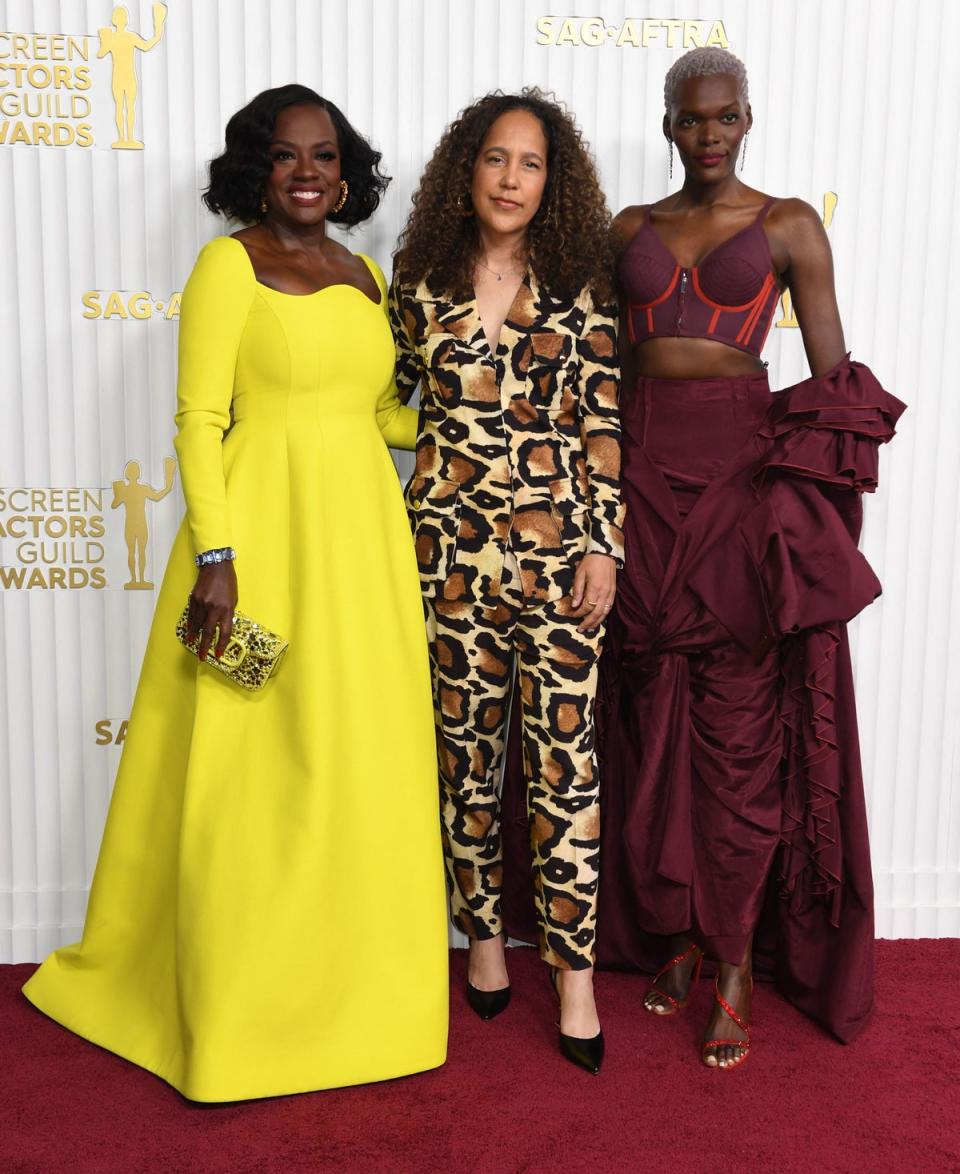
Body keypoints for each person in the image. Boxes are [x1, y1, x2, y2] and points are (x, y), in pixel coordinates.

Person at [23, 84, 449, 1101]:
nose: (309, 171)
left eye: (327, 156)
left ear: (348, 175)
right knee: (245, 771)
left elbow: (380, 410)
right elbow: (198, 417)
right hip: (253, 545)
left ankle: (356, 996)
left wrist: (465, 408)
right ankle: (230, 1002)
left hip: (357, 549)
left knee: (354, 759)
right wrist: (215, 557)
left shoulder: (361, 274)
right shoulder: (229, 265)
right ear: (257, 167)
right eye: (287, 154)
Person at [594, 47, 904, 1068]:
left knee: (736, 741)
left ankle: (733, 961)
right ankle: (677, 931)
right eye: (693, 118)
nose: (711, 133)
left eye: (727, 116)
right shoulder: (628, 229)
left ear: (749, 119)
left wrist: (789, 511)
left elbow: (831, 379)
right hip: (638, 494)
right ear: (670, 124)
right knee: (650, 732)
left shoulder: (787, 226)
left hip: (732, 501)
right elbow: (596, 370)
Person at [389, 89, 623, 1074]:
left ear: (552, 181)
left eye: (530, 163)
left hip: (563, 563)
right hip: (444, 557)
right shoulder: (414, 280)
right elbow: (388, 407)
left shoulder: (581, 280)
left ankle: (573, 977)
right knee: (465, 761)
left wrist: (604, 544)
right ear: (466, 169)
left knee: (565, 771)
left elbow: (602, 423)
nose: (511, 179)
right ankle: (482, 942)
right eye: (495, 159)